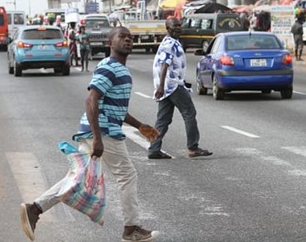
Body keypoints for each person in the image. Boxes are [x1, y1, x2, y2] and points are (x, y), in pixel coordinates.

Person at [19, 27, 161, 242]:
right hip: (103, 132)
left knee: (78, 179)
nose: (128, 41)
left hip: (99, 129)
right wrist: (97, 137)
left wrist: (139, 125)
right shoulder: (110, 67)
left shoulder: (119, 69)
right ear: (110, 43)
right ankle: (131, 228)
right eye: (122, 37)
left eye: (130, 38)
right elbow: (91, 99)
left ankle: (35, 208)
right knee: (127, 175)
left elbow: (114, 107)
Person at [148, 17, 212, 159]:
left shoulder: (170, 42)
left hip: (169, 85)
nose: (178, 28)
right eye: (174, 26)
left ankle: (154, 149)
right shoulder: (170, 43)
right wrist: (161, 86)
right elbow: (165, 64)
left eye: (179, 25)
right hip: (171, 86)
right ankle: (193, 147)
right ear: (167, 28)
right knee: (189, 112)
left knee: (163, 119)